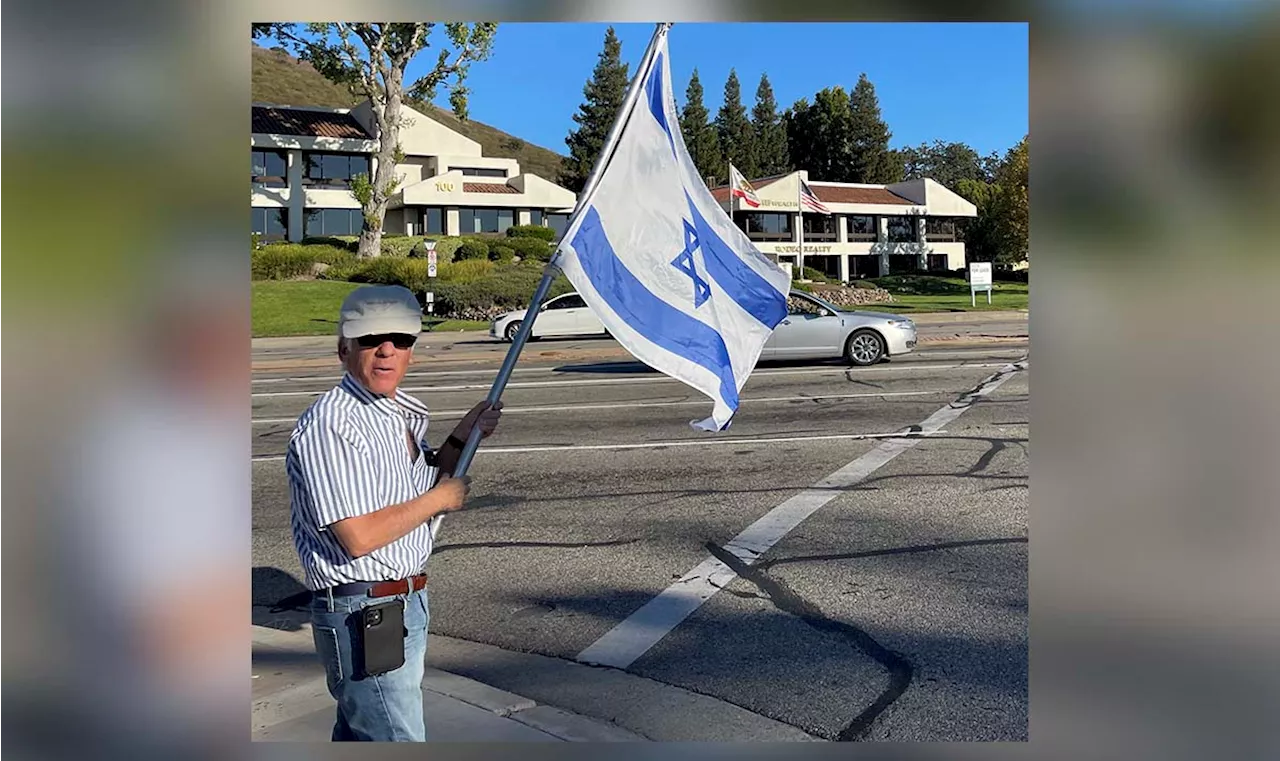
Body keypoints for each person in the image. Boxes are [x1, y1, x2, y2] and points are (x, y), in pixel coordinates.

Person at [286, 284, 502, 742]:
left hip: (399, 604)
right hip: (365, 610)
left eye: (401, 340)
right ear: (343, 348)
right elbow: (359, 535)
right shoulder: (333, 424)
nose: (387, 351)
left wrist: (463, 434)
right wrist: (440, 500)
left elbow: (420, 481)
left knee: (364, 733)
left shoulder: (394, 413)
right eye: (371, 339)